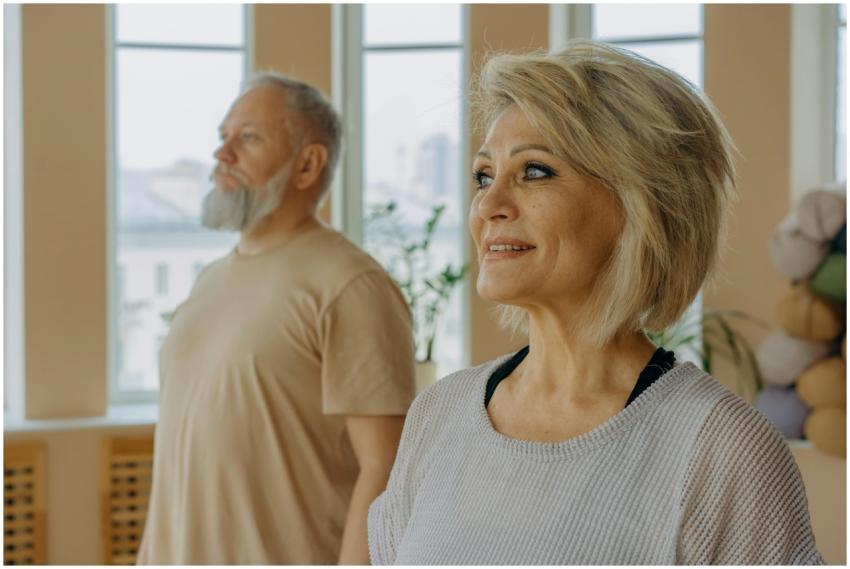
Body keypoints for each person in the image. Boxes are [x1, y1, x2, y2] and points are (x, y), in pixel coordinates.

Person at [367, 40, 824, 565]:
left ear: (640, 203)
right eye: (484, 176)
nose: (489, 205)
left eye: (534, 171)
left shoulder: (720, 448)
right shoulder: (439, 413)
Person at [137, 72, 416, 565]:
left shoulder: (350, 285)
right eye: (223, 136)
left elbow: (386, 468)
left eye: (248, 138)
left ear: (307, 164)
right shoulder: (210, 280)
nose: (222, 154)